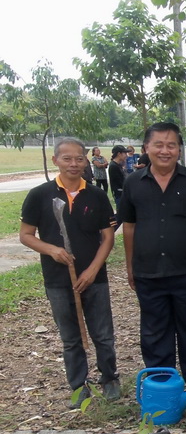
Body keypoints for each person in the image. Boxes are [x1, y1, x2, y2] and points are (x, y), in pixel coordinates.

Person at [118, 122, 186, 390]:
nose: (165, 151)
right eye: (159, 145)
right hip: (148, 272)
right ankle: (161, 384)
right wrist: (130, 266)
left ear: (179, 149)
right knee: (154, 332)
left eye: (171, 145)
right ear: (146, 148)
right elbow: (129, 226)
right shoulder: (133, 183)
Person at [19, 137, 120, 407]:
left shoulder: (97, 195)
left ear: (86, 161)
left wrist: (93, 270)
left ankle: (110, 378)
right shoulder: (40, 195)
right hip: (57, 279)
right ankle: (78, 385)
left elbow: (108, 237)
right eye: (67, 158)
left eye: (79, 158)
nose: (73, 164)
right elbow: (26, 235)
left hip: (95, 278)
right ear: (56, 161)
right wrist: (51, 250)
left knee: (103, 334)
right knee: (70, 337)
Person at [108, 145, 128, 209]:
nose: (126, 155)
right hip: (119, 194)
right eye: (125, 153)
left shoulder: (118, 165)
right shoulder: (113, 166)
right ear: (119, 154)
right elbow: (120, 182)